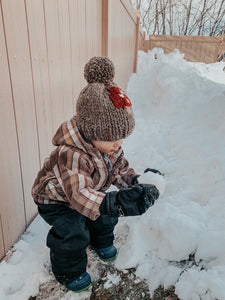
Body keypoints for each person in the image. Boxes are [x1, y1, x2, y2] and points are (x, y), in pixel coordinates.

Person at [32, 56, 160, 293]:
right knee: (73, 230)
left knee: (104, 215)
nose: (118, 144)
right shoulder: (71, 153)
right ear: (90, 131)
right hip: (57, 201)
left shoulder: (109, 147)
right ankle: (69, 269)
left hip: (88, 191)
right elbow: (79, 196)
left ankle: (100, 240)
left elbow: (120, 169)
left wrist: (136, 182)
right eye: (111, 137)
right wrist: (115, 202)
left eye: (122, 137)